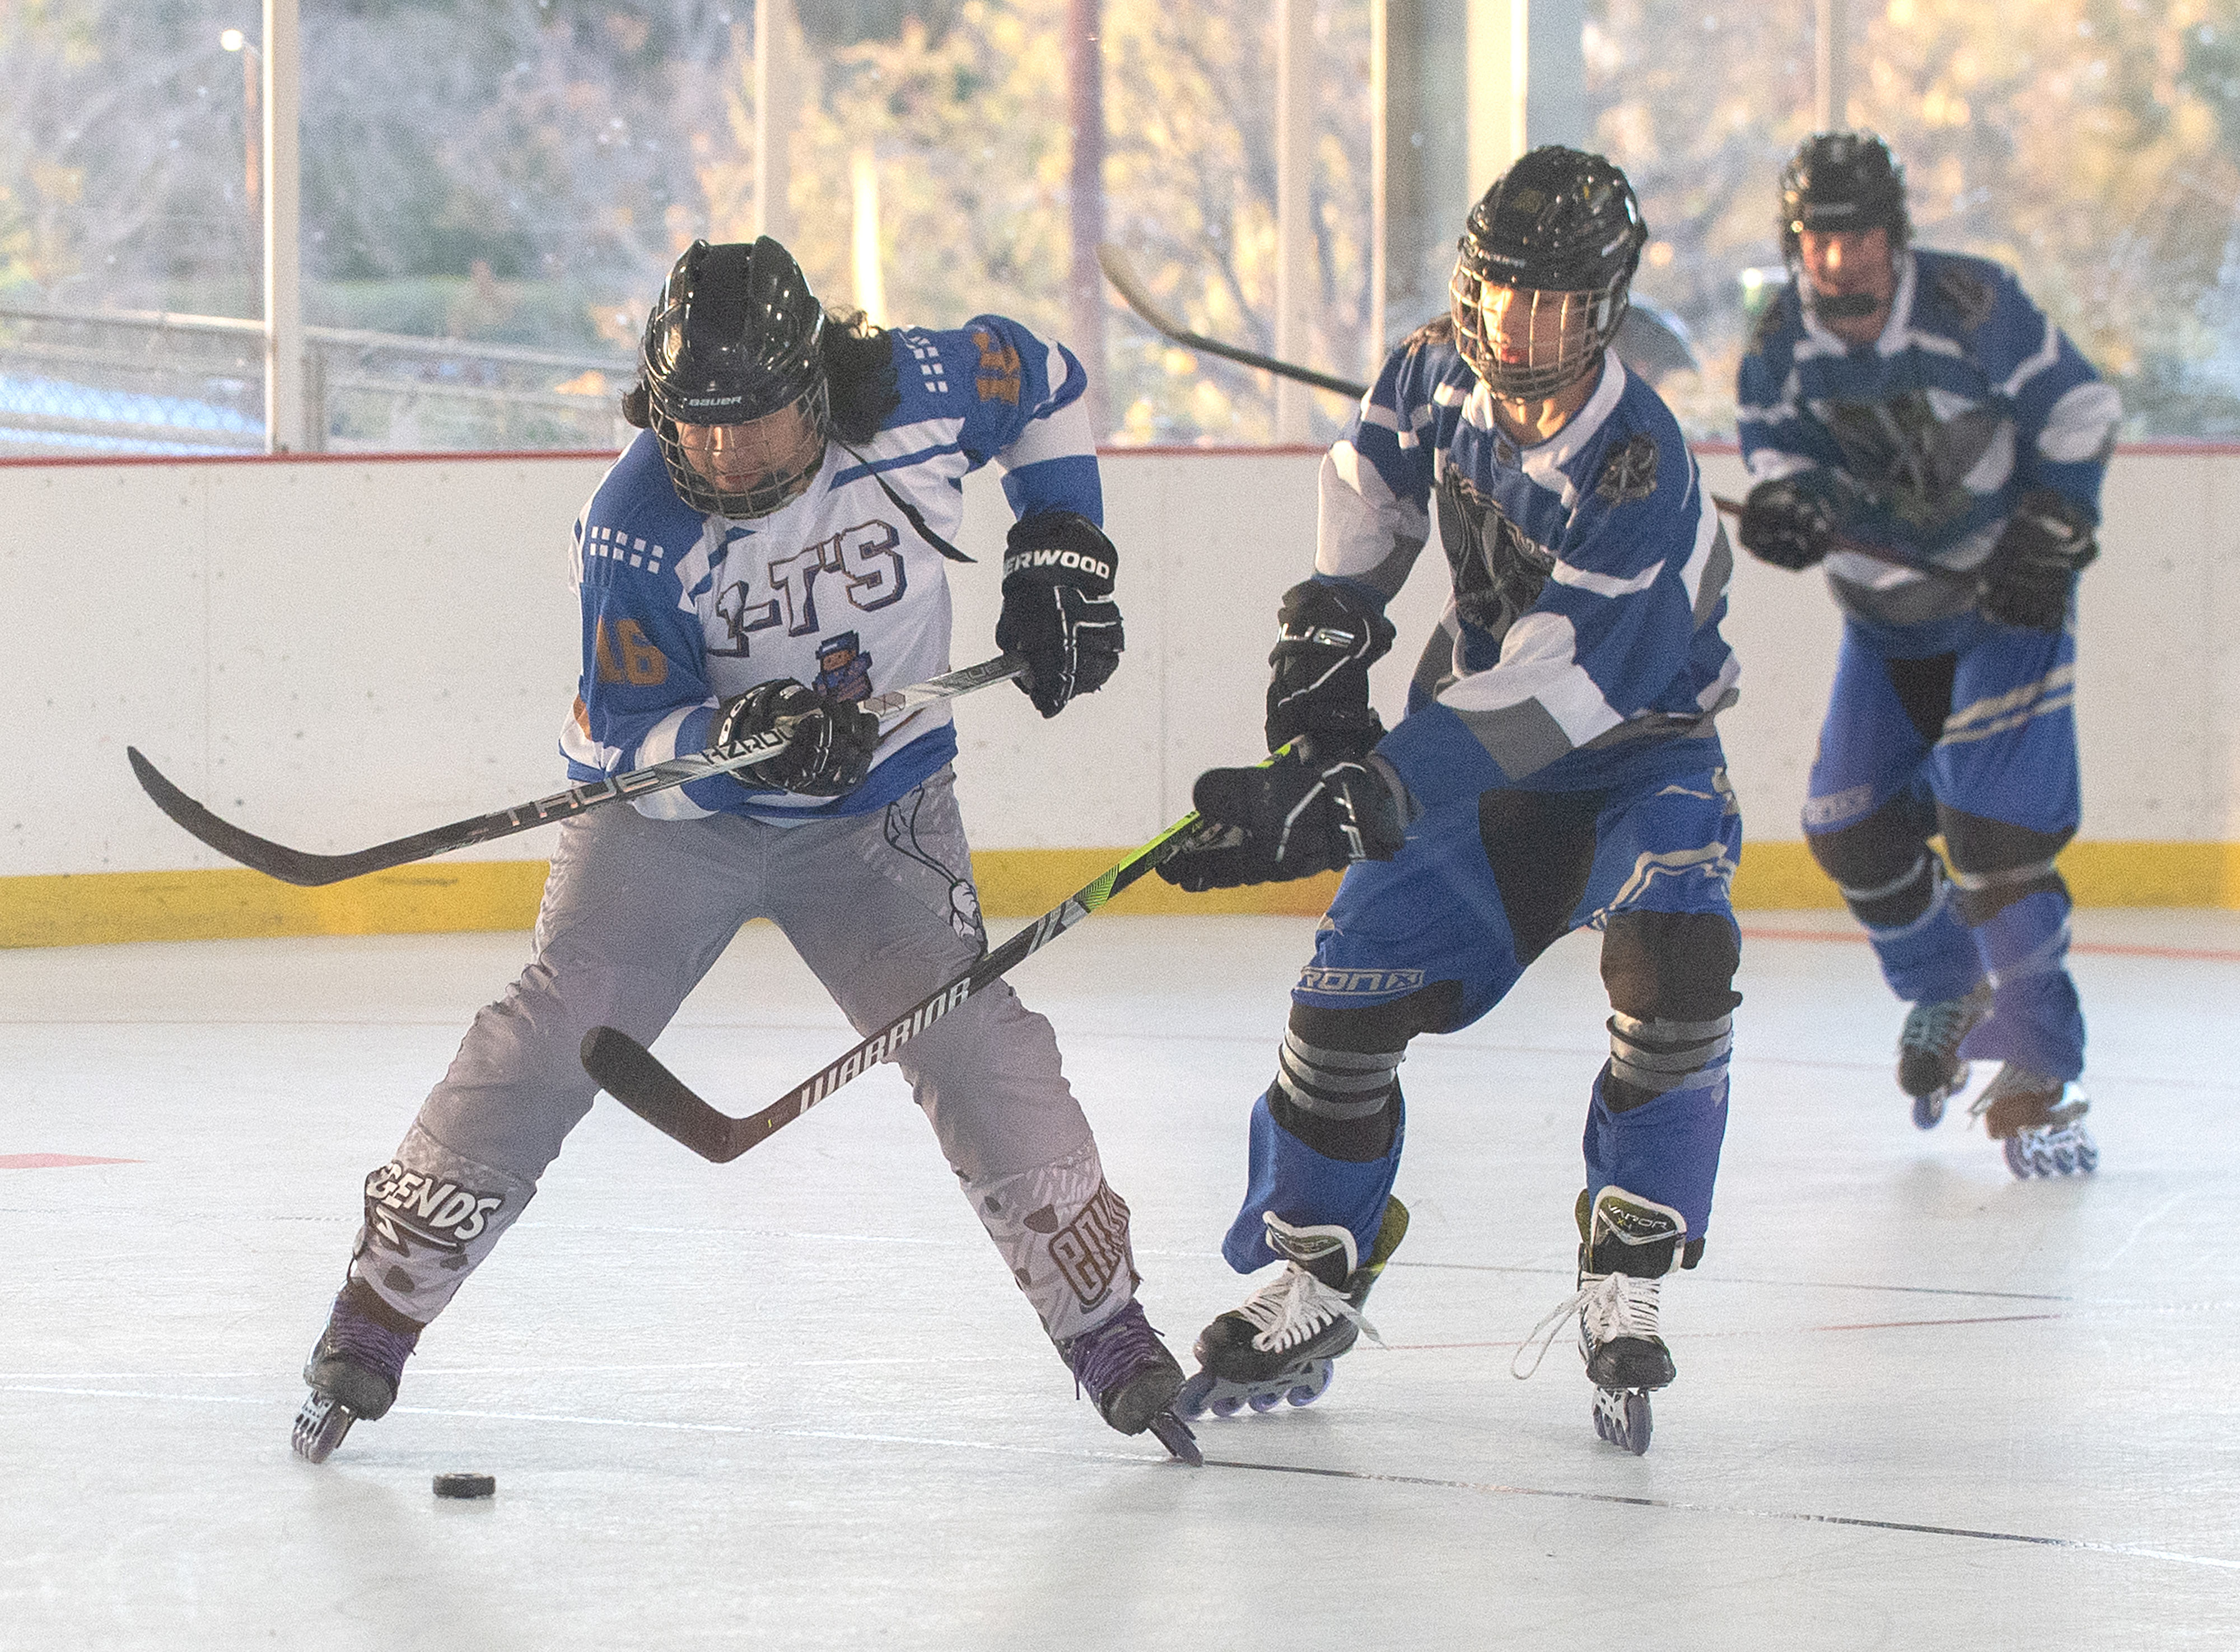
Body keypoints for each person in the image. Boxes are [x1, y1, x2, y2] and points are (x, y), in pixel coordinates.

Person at [291, 237, 1199, 1466]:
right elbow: (622, 738)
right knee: (560, 1025)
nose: (722, 452)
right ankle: (378, 1307)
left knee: (972, 1038)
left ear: (815, 385)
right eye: (696, 424)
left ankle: (1105, 1325)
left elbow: (1047, 379)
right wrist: (732, 738)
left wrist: (1059, 544)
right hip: (675, 832)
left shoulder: (919, 395)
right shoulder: (630, 524)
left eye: (754, 419)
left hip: (878, 819)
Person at [1158, 148, 1743, 1456]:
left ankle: (1625, 1250)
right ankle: (1318, 1266)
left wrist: (1374, 779)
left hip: (1631, 754)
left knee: (1677, 957)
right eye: (1492, 291)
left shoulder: (1638, 476)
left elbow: (1556, 695)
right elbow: (1370, 486)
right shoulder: (1434, 368)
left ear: (1602, 310)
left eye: (1548, 303)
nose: (1510, 328)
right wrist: (1324, 648)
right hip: (1468, 737)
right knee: (1338, 1018)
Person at [1735, 132, 2118, 1178]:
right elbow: (1781, 458)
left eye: (1857, 235)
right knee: (1849, 826)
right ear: (1795, 244)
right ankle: (1953, 987)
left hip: (2004, 610)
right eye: (1818, 238)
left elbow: (2080, 407)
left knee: (1993, 827)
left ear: (1894, 238)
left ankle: (2044, 1064)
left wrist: (2054, 525)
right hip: (1887, 624)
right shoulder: (1778, 343)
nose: (1838, 259)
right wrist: (1789, 507)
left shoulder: (1973, 306)